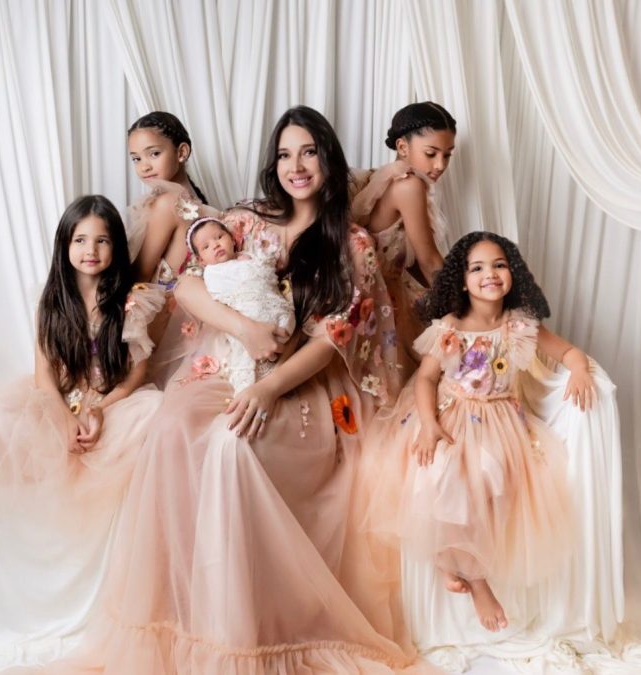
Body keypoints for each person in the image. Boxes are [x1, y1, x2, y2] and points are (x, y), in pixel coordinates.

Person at [35, 106, 436, 674]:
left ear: (328, 159)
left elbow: (332, 339)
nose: (296, 166)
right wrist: (244, 329)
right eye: (285, 154)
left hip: (302, 382)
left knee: (231, 446)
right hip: (227, 360)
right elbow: (189, 287)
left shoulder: (351, 243)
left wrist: (268, 390)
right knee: (172, 428)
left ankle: (242, 635)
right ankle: (182, 621)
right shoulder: (247, 222)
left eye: (309, 152)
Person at [357, 231, 591, 634]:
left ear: (513, 273)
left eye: (499, 265)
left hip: (498, 420)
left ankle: (450, 560)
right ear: (462, 281)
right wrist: (429, 424)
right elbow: (426, 379)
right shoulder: (451, 327)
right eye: (477, 268)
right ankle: (475, 581)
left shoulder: (520, 325)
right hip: (450, 413)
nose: (490, 274)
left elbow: (568, 352)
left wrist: (581, 369)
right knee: (440, 474)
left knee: (489, 478)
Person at [0, 194, 164, 532]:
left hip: (110, 401)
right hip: (61, 400)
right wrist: (65, 418)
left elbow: (137, 372)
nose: (90, 250)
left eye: (102, 241)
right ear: (64, 245)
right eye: (80, 240)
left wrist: (99, 410)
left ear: (115, 246)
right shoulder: (50, 301)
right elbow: (43, 372)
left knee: (155, 407)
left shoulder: (132, 301)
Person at [351, 101, 457, 378]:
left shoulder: (390, 178)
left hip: (396, 289)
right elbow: (428, 260)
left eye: (447, 155)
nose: (440, 165)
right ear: (402, 147)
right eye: (431, 153)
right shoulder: (408, 185)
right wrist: (465, 308)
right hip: (384, 301)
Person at [125, 111, 218, 386]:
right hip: (193, 333)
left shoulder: (169, 203)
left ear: (182, 152)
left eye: (153, 154)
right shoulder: (207, 208)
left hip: (161, 328)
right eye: (136, 159)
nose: (144, 167)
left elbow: (139, 275)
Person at [185, 215, 295, 394]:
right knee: (243, 355)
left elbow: (265, 272)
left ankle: (277, 351)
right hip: (245, 312)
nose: (215, 245)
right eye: (206, 247)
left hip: (269, 302)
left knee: (284, 322)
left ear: (232, 239)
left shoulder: (247, 257)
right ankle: (249, 384)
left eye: (219, 237)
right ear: (201, 260)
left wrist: (259, 264)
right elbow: (221, 296)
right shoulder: (212, 273)